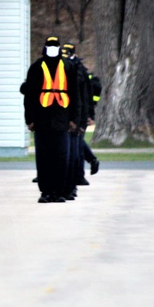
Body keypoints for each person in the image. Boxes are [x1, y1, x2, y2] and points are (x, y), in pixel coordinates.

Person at [23, 37, 80, 203]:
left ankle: (59, 192)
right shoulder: (36, 67)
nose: (53, 49)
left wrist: (74, 119)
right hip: (41, 119)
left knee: (61, 157)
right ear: (45, 48)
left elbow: (75, 95)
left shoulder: (69, 67)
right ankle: (46, 192)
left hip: (62, 118)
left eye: (55, 46)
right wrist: (30, 119)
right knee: (43, 158)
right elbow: (30, 96)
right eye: (50, 46)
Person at [63, 42, 91, 192]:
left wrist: (84, 118)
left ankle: (73, 182)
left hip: (75, 118)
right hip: (61, 117)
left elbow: (84, 96)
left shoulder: (79, 71)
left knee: (74, 153)